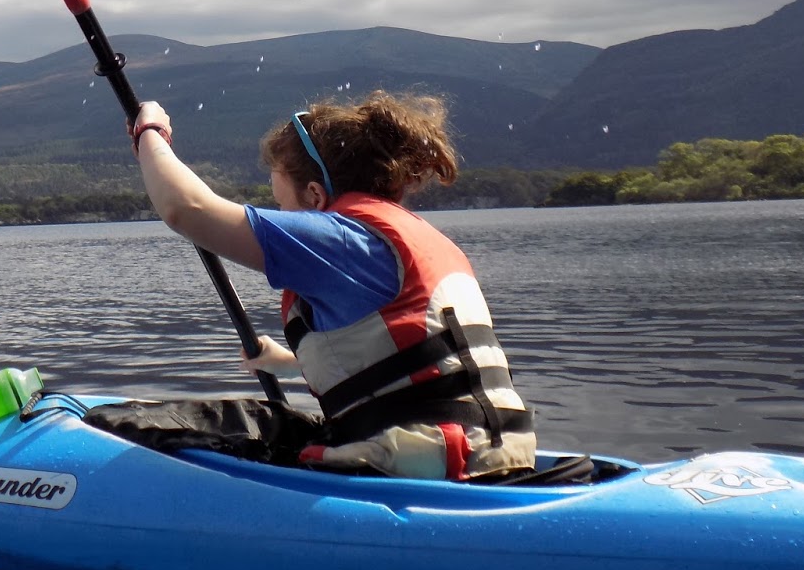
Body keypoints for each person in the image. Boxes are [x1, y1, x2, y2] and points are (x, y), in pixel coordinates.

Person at [127, 91, 535, 481]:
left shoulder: (342, 239)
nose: (282, 215)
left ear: (316, 196)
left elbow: (186, 209)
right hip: (494, 454)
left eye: (281, 202)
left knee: (142, 430)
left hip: (430, 465)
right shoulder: (404, 240)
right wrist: (288, 360)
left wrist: (152, 134)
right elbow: (408, 357)